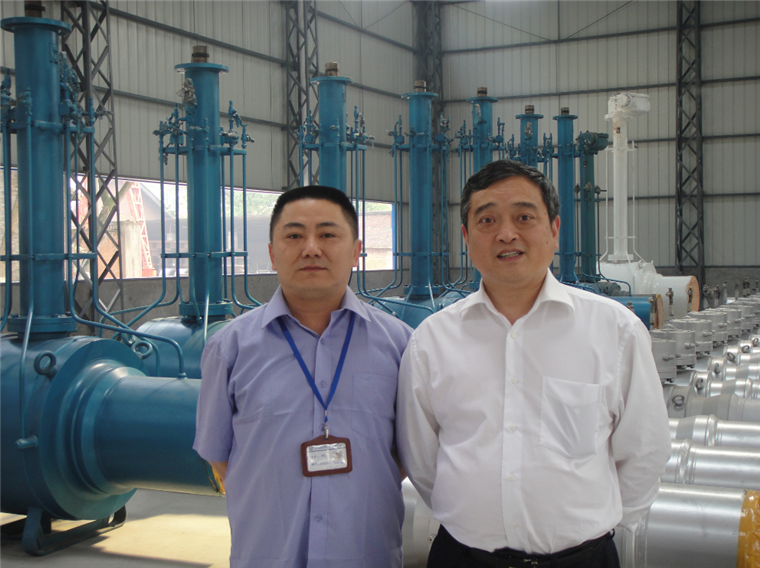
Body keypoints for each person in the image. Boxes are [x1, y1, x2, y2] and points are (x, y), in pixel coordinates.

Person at [397, 160, 671, 568]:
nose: (507, 233)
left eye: (524, 217)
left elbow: (645, 449)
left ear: (554, 230)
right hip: (463, 557)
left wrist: (591, 530)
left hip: (582, 559)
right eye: (487, 220)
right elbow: (421, 458)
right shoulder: (432, 340)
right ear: (466, 237)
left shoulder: (615, 330)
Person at [194, 185, 412, 568]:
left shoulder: (400, 345)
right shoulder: (229, 348)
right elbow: (220, 458)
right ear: (272, 253)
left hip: (366, 554)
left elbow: (410, 455)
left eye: (327, 234)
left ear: (356, 251)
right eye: (294, 236)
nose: (311, 248)